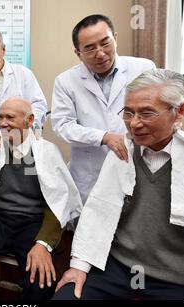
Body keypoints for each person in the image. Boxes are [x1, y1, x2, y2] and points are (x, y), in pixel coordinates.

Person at [53, 69, 184, 300]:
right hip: (118, 268)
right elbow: (98, 210)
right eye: (128, 113)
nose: (134, 124)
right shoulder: (122, 152)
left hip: (175, 279)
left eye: (147, 113)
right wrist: (79, 266)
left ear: (180, 111)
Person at [0, 97, 82, 300]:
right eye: (0, 117)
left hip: (33, 222)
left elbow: (56, 203)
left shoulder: (46, 152)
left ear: (30, 120)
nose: (2, 123)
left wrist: (42, 245)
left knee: (42, 281)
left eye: (10, 117)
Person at [51, 14, 155, 203]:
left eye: (105, 43)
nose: (100, 53)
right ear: (78, 53)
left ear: (115, 38)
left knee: (138, 224)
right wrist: (103, 137)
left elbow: (156, 113)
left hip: (138, 164)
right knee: (92, 228)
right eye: (89, 48)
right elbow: (62, 125)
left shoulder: (143, 69)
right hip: (91, 175)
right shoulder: (65, 81)